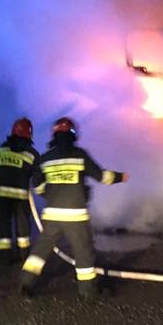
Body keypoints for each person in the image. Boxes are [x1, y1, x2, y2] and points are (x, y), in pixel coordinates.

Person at [20, 117, 127, 299]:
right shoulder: (79, 155)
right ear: (73, 134)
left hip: (52, 215)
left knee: (41, 250)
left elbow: (37, 186)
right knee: (83, 252)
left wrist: (51, 195)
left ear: (54, 135)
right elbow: (103, 177)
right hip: (76, 216)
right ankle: (88, 292)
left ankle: (26, 283)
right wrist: (121, 177)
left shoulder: (45, 158)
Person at [0, 117, 39, 264]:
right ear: (29, 134)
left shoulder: (1, 149)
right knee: (23, 226)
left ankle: (3, 257)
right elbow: (37, 176)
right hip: (20, 197)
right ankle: (24, 255)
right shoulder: (32, 154)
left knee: (2, 226)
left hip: (0, 196)